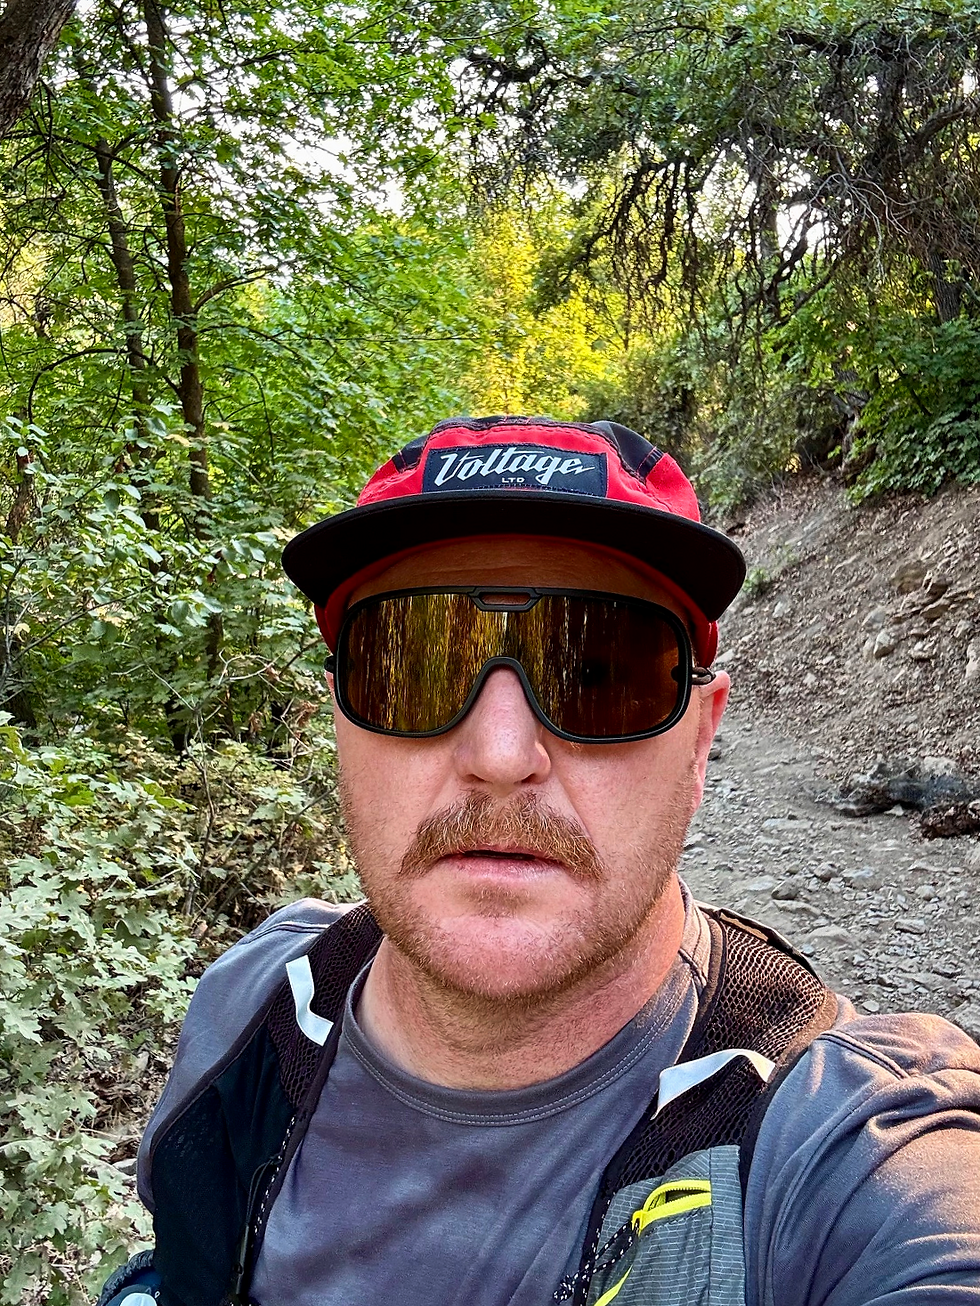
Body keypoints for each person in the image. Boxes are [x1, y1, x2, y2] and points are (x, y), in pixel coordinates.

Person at [99, 415, 980, 1306]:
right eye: (414, 666)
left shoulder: (835, 1145)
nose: (501, 751)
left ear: (702, 740)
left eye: (600, 671)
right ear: (341, 720)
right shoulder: (253, 1003)